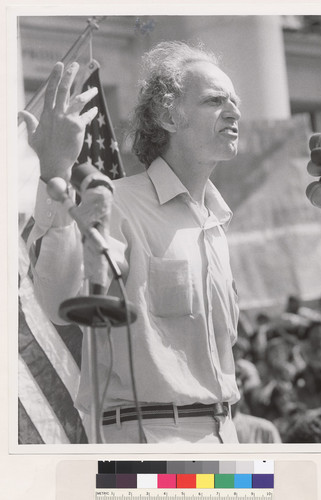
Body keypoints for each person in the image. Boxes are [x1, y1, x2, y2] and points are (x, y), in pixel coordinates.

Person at [20, 41, 242, 443]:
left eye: (234, 100)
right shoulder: (115, 203)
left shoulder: (216, 222)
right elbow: (56, 302)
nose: (233, 111)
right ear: (167, 116)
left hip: (226, 438)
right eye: (215, 100)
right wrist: (54, 169)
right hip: (149, 442)